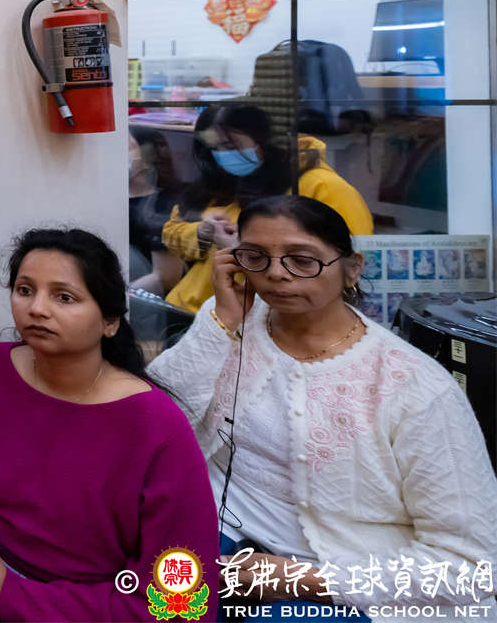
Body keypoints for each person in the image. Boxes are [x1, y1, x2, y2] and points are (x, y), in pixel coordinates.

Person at [148, 195, 497, 618]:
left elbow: (472, 569)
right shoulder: (233, 321)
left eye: (302, 260)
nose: (276, 274)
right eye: (255, 257)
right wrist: (220, 320)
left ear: (352, 269)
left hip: (340, 585)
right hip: (218, 539)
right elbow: (153, 427)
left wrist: (295, 579)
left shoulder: (414, 388)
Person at [0, 228, 219, 622]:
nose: (36, 308)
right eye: (25, 290)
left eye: (64, 297)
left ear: (110, 321)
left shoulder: (157, 427)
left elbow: (180, 605)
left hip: (86, 607)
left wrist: (11, 600)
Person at [162, 104, 371, 313]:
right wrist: (203, 234)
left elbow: (346, 265)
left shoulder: (321, 187)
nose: (222, 155)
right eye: (214, 148)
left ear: (264, 140)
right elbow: (172, 231)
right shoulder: (220, 180)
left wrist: (247, 253)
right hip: (192, 309)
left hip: (266, 317)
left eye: (231, 145)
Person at [127, 127, 183, 295]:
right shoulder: (106, 198)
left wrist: (120, 298)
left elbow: (166, 277)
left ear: (148, 155)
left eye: (127, 148)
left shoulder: (163, 207)